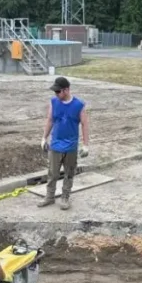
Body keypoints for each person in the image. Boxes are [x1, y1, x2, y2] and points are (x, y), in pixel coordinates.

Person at [39, 76, 90, 210]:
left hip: (71, 146)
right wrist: (44, 138)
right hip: (55, 144)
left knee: (69, 173)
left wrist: (85, 145)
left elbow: (84, 124)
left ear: (66, 90)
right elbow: (50, 120)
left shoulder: (79, 105)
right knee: (53, 173)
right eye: (55, 91)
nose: (56, 94)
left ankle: (65, 197)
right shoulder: (54, 102)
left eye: (58, 91)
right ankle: (49, 197)